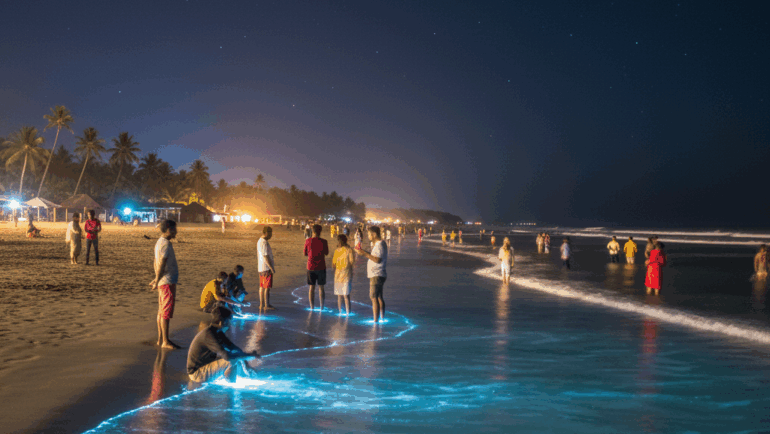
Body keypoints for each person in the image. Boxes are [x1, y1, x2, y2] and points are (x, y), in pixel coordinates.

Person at [187, 307, 260, 383]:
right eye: (229, 322)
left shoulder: (217, 332)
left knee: (236, 357)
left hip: (204, 367)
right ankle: (231, 386)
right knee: (231, 361)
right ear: (222, 322)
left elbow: (234, 349)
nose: (230, 325)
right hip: (196, 374)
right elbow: (228, 357)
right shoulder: (209, 335)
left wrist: (246, 364)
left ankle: (230, 378)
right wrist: (249, 356)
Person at [149, 219, 181, 349]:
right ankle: (165, 341)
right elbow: (161, 262)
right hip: (167, 282)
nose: (176, 232)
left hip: (163, 280)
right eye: (174, 229)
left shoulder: (160, 242)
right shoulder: (165, 244)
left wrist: (156, 278)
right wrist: (157, 279)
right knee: (165, 312)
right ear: (169, 230)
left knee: (161, 311)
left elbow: (155, 262)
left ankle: (160, 339)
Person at [355, 226, 388, 323]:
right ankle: (381, 317)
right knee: (379, 297)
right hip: (380, 273)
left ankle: (375, 320)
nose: (368, 236)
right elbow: (376, 256)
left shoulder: (379, 244)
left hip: (376, 274)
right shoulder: (380, 244)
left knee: (374, 297)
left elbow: (377, 259)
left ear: (374, 234)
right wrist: (364, 252)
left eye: (369, 234)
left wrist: (364, 254)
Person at [304, 224, 329, 310]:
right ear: (320, 231)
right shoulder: (324, 241)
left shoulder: (308, 241)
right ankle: (322, 307)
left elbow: (305, 253)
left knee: (311, 287)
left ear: (313, 231)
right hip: (321, 266)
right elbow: (326, 253)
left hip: (310, 266)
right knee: (321, 287)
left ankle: (312, 307)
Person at [332, 234, 355, 315]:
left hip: (339, 274)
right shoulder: (349, 250)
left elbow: (333, 264)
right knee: (346, 295)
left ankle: (340, 312)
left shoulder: (337, 250)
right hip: (346, 274)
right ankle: (348, 313)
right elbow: (352, 262)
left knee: (340, 295)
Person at [257, 226, 276, 310]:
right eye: (270, 233)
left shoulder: (259, 241)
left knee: (262, 286)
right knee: (267, 288)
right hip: (266, 267)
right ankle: (266, 305)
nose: (271, 235)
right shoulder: (264, 242)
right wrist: (271, 268)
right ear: (266, 233)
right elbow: (265, 256)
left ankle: (262, 304)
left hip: (261, 267)